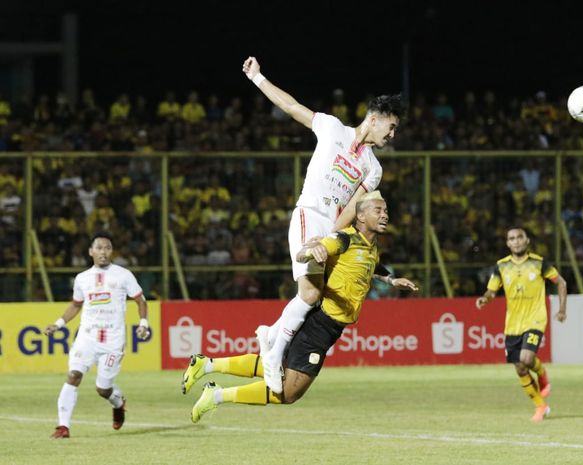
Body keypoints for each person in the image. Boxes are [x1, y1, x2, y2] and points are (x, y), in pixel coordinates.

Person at [241, 56, 404, 393]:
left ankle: (271, 335)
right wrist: (258, 78)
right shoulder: (332, 128)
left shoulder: (373, 170)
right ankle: (273, 354)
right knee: (312, 292)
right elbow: (291, 106)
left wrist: (331, 239)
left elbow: (351, 210)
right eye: (391, 127)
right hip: (308, 214)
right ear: (373, 120)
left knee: (314, 297)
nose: (392, 134)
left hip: (329, 229)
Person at [181, 192, 418, 421]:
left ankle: (207, 365)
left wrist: (391, 280)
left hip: (329, 326)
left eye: (386, 210)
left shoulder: (370, 246)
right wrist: (312, 252)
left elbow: (372, 264)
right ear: (362, 217)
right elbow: (307, 253)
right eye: (379, 210)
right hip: (320, 325)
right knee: (289, 392)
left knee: (279, 372)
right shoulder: (345, 239)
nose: (385, 215)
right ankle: (217, 395)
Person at [43, 233, 150, 439]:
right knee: (74, 375)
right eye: (99, 248)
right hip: (87, 336)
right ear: (91, 251)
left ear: (112, 251)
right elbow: (76, 305)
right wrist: (58, 324)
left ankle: (118, 403)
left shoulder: (123, 275)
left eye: (107, 248)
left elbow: (141, 301)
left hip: (113, 339)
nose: (103, 252)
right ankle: (63, 426)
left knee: (103, 388)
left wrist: (143, 323)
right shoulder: (82, 278)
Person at [476, 227, 567, 422]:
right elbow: (491, 292)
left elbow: (561, 283)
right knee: (520, 368)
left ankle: (542, 372)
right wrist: (485, 299)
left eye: (519, 237)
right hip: (513, 324)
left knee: (526, 357)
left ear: (527, 241)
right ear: (507, 243)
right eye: (511, 238)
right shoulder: (501, 266)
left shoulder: (539, 263)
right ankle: (541, 406)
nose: (516, 241)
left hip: (535, 318)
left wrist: (561, 309)